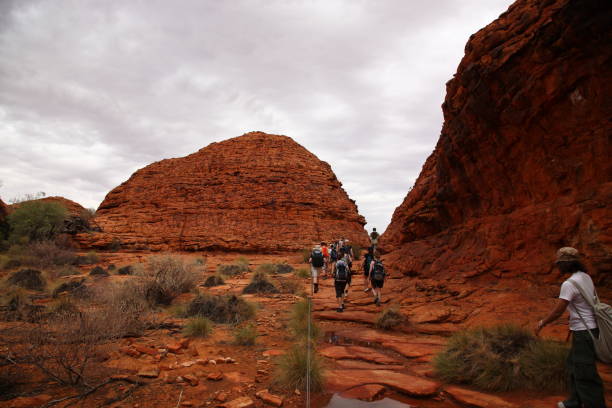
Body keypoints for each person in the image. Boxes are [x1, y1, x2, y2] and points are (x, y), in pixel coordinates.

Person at [535, 247, 605, 408]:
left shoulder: (569, 283)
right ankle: (574, 401)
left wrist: (542, 323)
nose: (558, 267)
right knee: (573, 364)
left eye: (559, 264)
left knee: (585, 372)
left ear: (566, 264)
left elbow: (559, 310)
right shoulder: (585, 277)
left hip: (583, 332)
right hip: (590, 329)